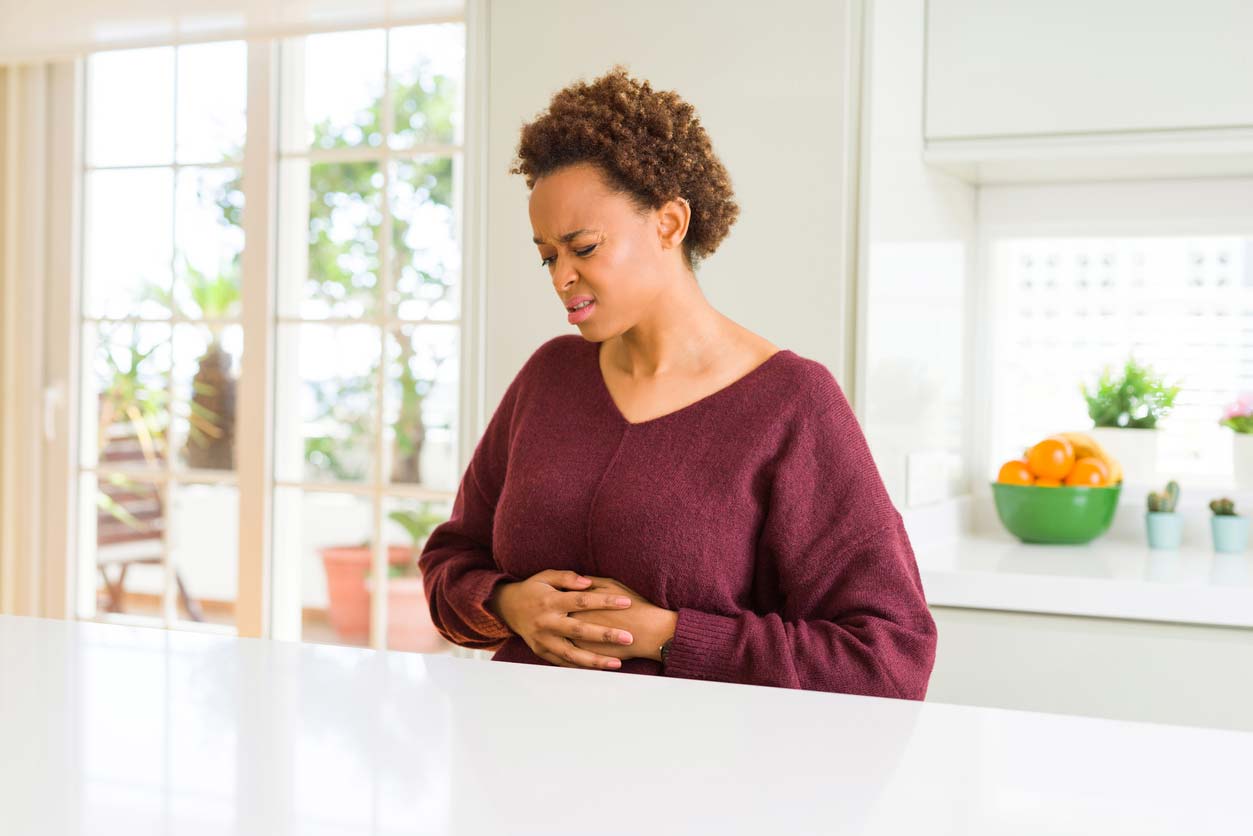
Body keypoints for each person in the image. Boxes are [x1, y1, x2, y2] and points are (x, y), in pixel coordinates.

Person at [418, 65, 937, 698]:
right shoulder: (548, 378)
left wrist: (668, 635)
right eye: (547, 255)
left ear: (668, 224)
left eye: (583, 248)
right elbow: (450, 563)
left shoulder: (792, 404)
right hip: (513, 767)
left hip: (700, 784)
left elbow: (889, 657)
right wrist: (506, 604)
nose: (560, 277)